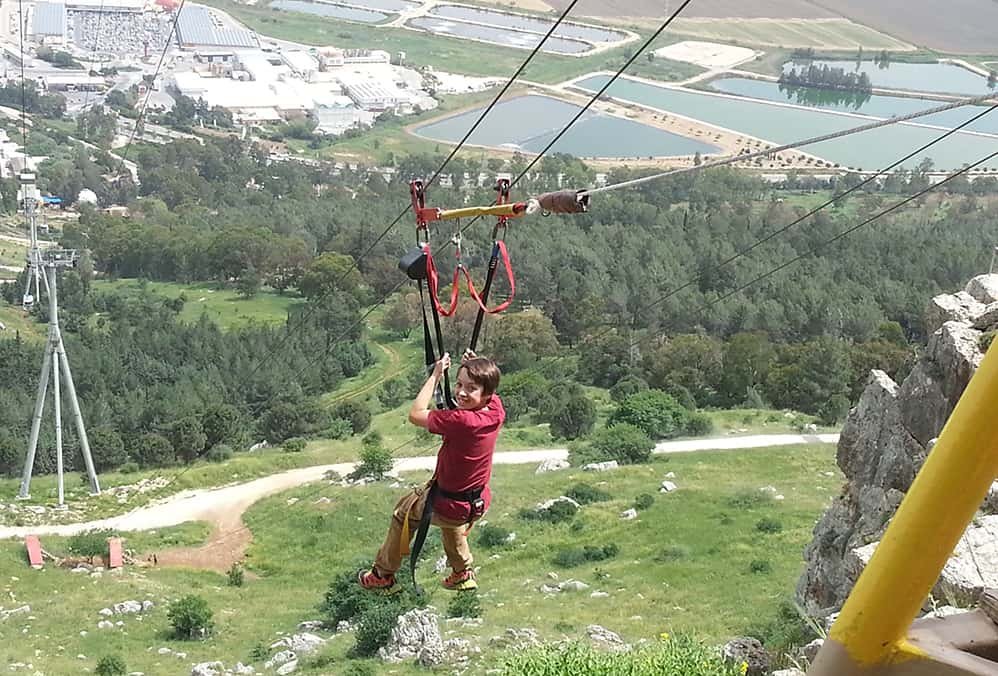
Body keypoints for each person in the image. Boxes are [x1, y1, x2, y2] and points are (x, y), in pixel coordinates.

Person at [359, 350, 504, 593]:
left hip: (450, 503)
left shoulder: (462, 421)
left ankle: (382, 575)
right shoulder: (496, 411)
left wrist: (436, 375)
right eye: (459, 384)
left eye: (470, 388)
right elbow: (490, 390)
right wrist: (477, 367)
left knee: (402, 513)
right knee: (452, 521)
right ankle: (462, 572)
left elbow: (415, 415)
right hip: (475, 501)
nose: (460, 392)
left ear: (486, 393)